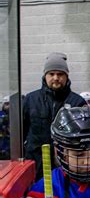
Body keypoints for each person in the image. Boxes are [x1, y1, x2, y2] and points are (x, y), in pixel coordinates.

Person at [23, 52, 86, 180]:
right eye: (51, 74)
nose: (56, 78)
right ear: (45, 76)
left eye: (60, 74)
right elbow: (21, 132)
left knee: (63, 197)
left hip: (66, 166)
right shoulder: (30, 100)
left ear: (66, 76)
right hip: (35, 165)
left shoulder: (77, 102)